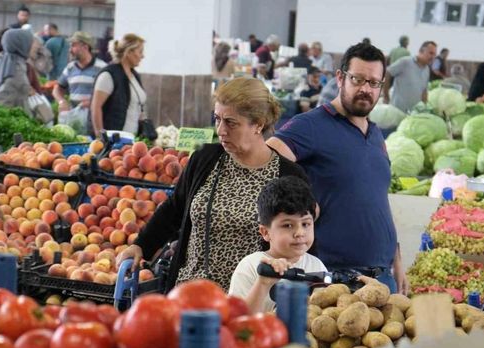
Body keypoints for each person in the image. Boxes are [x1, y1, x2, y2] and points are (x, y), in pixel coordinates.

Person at [116, 77, 309, 292]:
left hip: (249, 300)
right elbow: (174, 209)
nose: (221, 130)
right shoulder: (205, 159)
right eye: (217, 119)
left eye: (231, 122)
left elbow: (300, 239)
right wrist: (141, 245)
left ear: (258, 124)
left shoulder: (288, 176)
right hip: (189, 291)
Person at [266, 42, 406, 294]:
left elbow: (378, 200)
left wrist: (396, 258)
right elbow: (265, 161)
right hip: (332, 279)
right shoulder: (310, 126)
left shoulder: (375, 135)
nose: (365, 89)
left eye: (373, 83)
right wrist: (303, 205)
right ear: (340, 78)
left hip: (382, 277)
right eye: (357, 79)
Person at [229, 176, 326, 313]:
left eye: (305, 224)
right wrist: (263, 284)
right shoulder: (251, 266)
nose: (299, 232)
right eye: (287, 225)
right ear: (265, 232)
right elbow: (238, 320)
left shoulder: (317, 266)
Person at [90, 33, 146, 137]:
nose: (143, 56)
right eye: (140, 52)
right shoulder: (108, 75)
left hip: (131, 139)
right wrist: (101, 137)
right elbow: (96, 107)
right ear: (129, 52)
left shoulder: (134, 75)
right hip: (114, 140)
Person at [54, 31, 106, 116]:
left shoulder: (102, 68)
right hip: (74, 116)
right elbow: (57, 89)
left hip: (94, 117)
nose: (70, 50)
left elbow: (110, 94)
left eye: (73, 46)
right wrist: (61, 101)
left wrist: (92, 102)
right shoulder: (70, 68)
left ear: (85, 47)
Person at [0, 29, 35, 113]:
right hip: (13, 118)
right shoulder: (14, 70)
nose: (33, 46)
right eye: (30, 43)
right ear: (21, 45)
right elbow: (1, 101)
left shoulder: (3, 61)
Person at [382, 41, 436, 113]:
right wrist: (386, 96)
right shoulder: (405, 62)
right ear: (421, 51)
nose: (433, 57)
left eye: (434, 54)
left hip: (414, 113)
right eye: (431, 53)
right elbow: (387, 73)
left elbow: (424, 91)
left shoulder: (427, 69)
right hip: (397, 111)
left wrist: (424, 108)